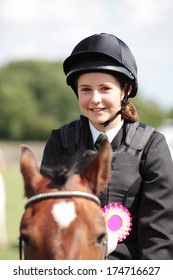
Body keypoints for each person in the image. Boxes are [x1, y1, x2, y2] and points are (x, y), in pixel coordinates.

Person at [40, 33, 173, 260]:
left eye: (104, 88)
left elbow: (159, 237)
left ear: (126, 91)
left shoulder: (152, 145)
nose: (94, 99)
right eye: (86, 89)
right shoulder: (59, 141)